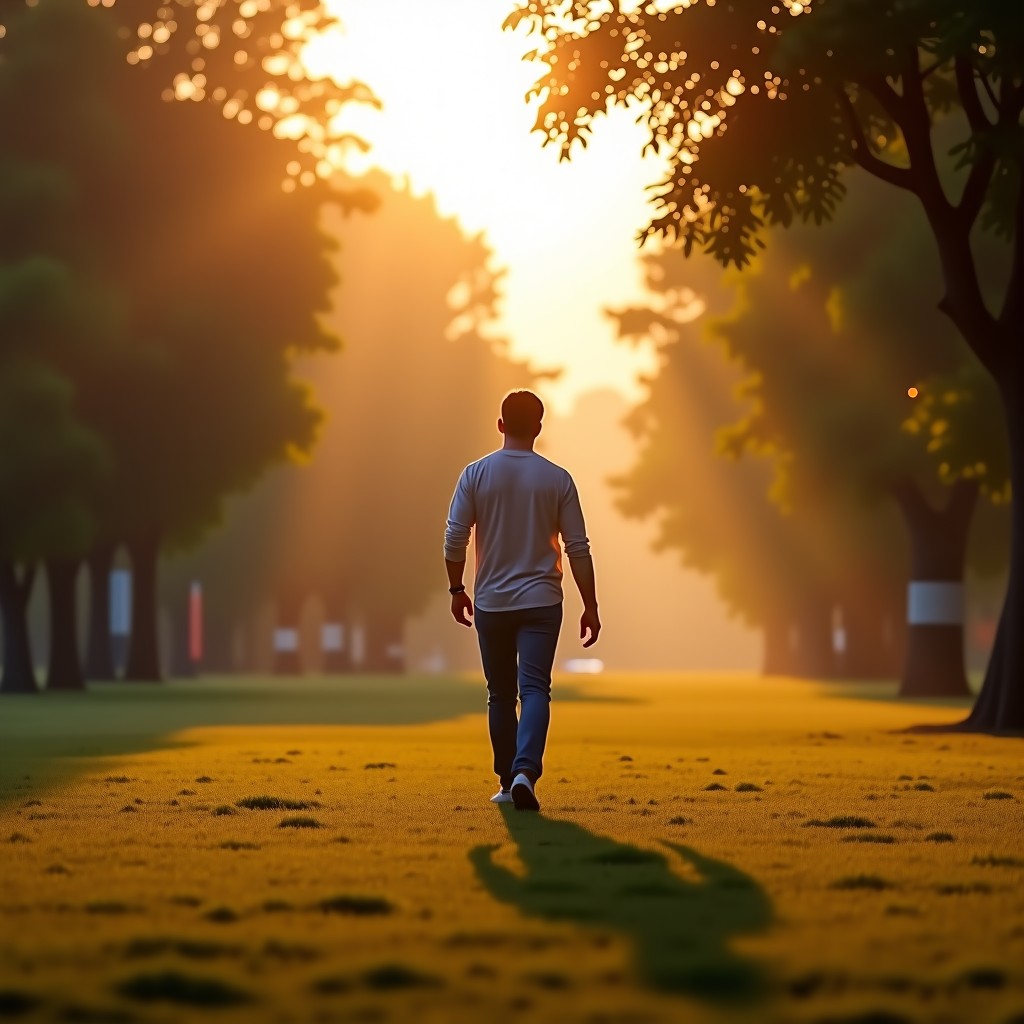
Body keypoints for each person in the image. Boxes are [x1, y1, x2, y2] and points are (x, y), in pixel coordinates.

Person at [443, 389, 600, 812]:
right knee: (534, 689)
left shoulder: (475, 474)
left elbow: (455, 537)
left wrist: (457, 589)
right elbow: (578, 548)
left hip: (491, 602)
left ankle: (507, 781)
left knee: (499, 693)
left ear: (500, 425)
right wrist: (590, 605)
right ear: (538, 428)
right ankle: (525, 772)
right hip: (542, 602)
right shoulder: (557, 479)